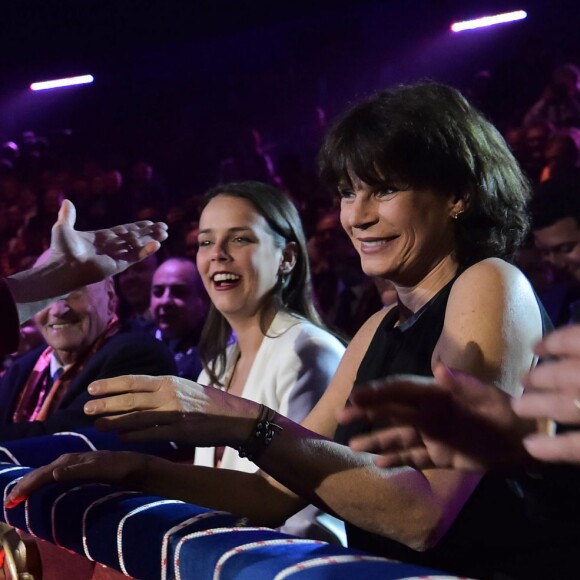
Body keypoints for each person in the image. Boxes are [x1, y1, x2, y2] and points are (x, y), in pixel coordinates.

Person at [9, 83, 557, 579]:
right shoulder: (377, 328)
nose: (356, 216)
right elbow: (272, 493)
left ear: (458, 194)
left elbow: (424, 513)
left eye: (384, 190)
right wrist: (133, 470)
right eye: (348, 191)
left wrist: (246, 422)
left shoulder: (490, 283)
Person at [0, 198, 168, 358]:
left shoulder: (138, 355)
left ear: (111, 298)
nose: (59, 311)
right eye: (50, 299)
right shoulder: (19, 373)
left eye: (74, 292)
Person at [150, 257, 208, 379]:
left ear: (203, 299)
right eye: (158, 292)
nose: (165, 301)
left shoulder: (220, 353)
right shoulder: (136, 345)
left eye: (178, 292)